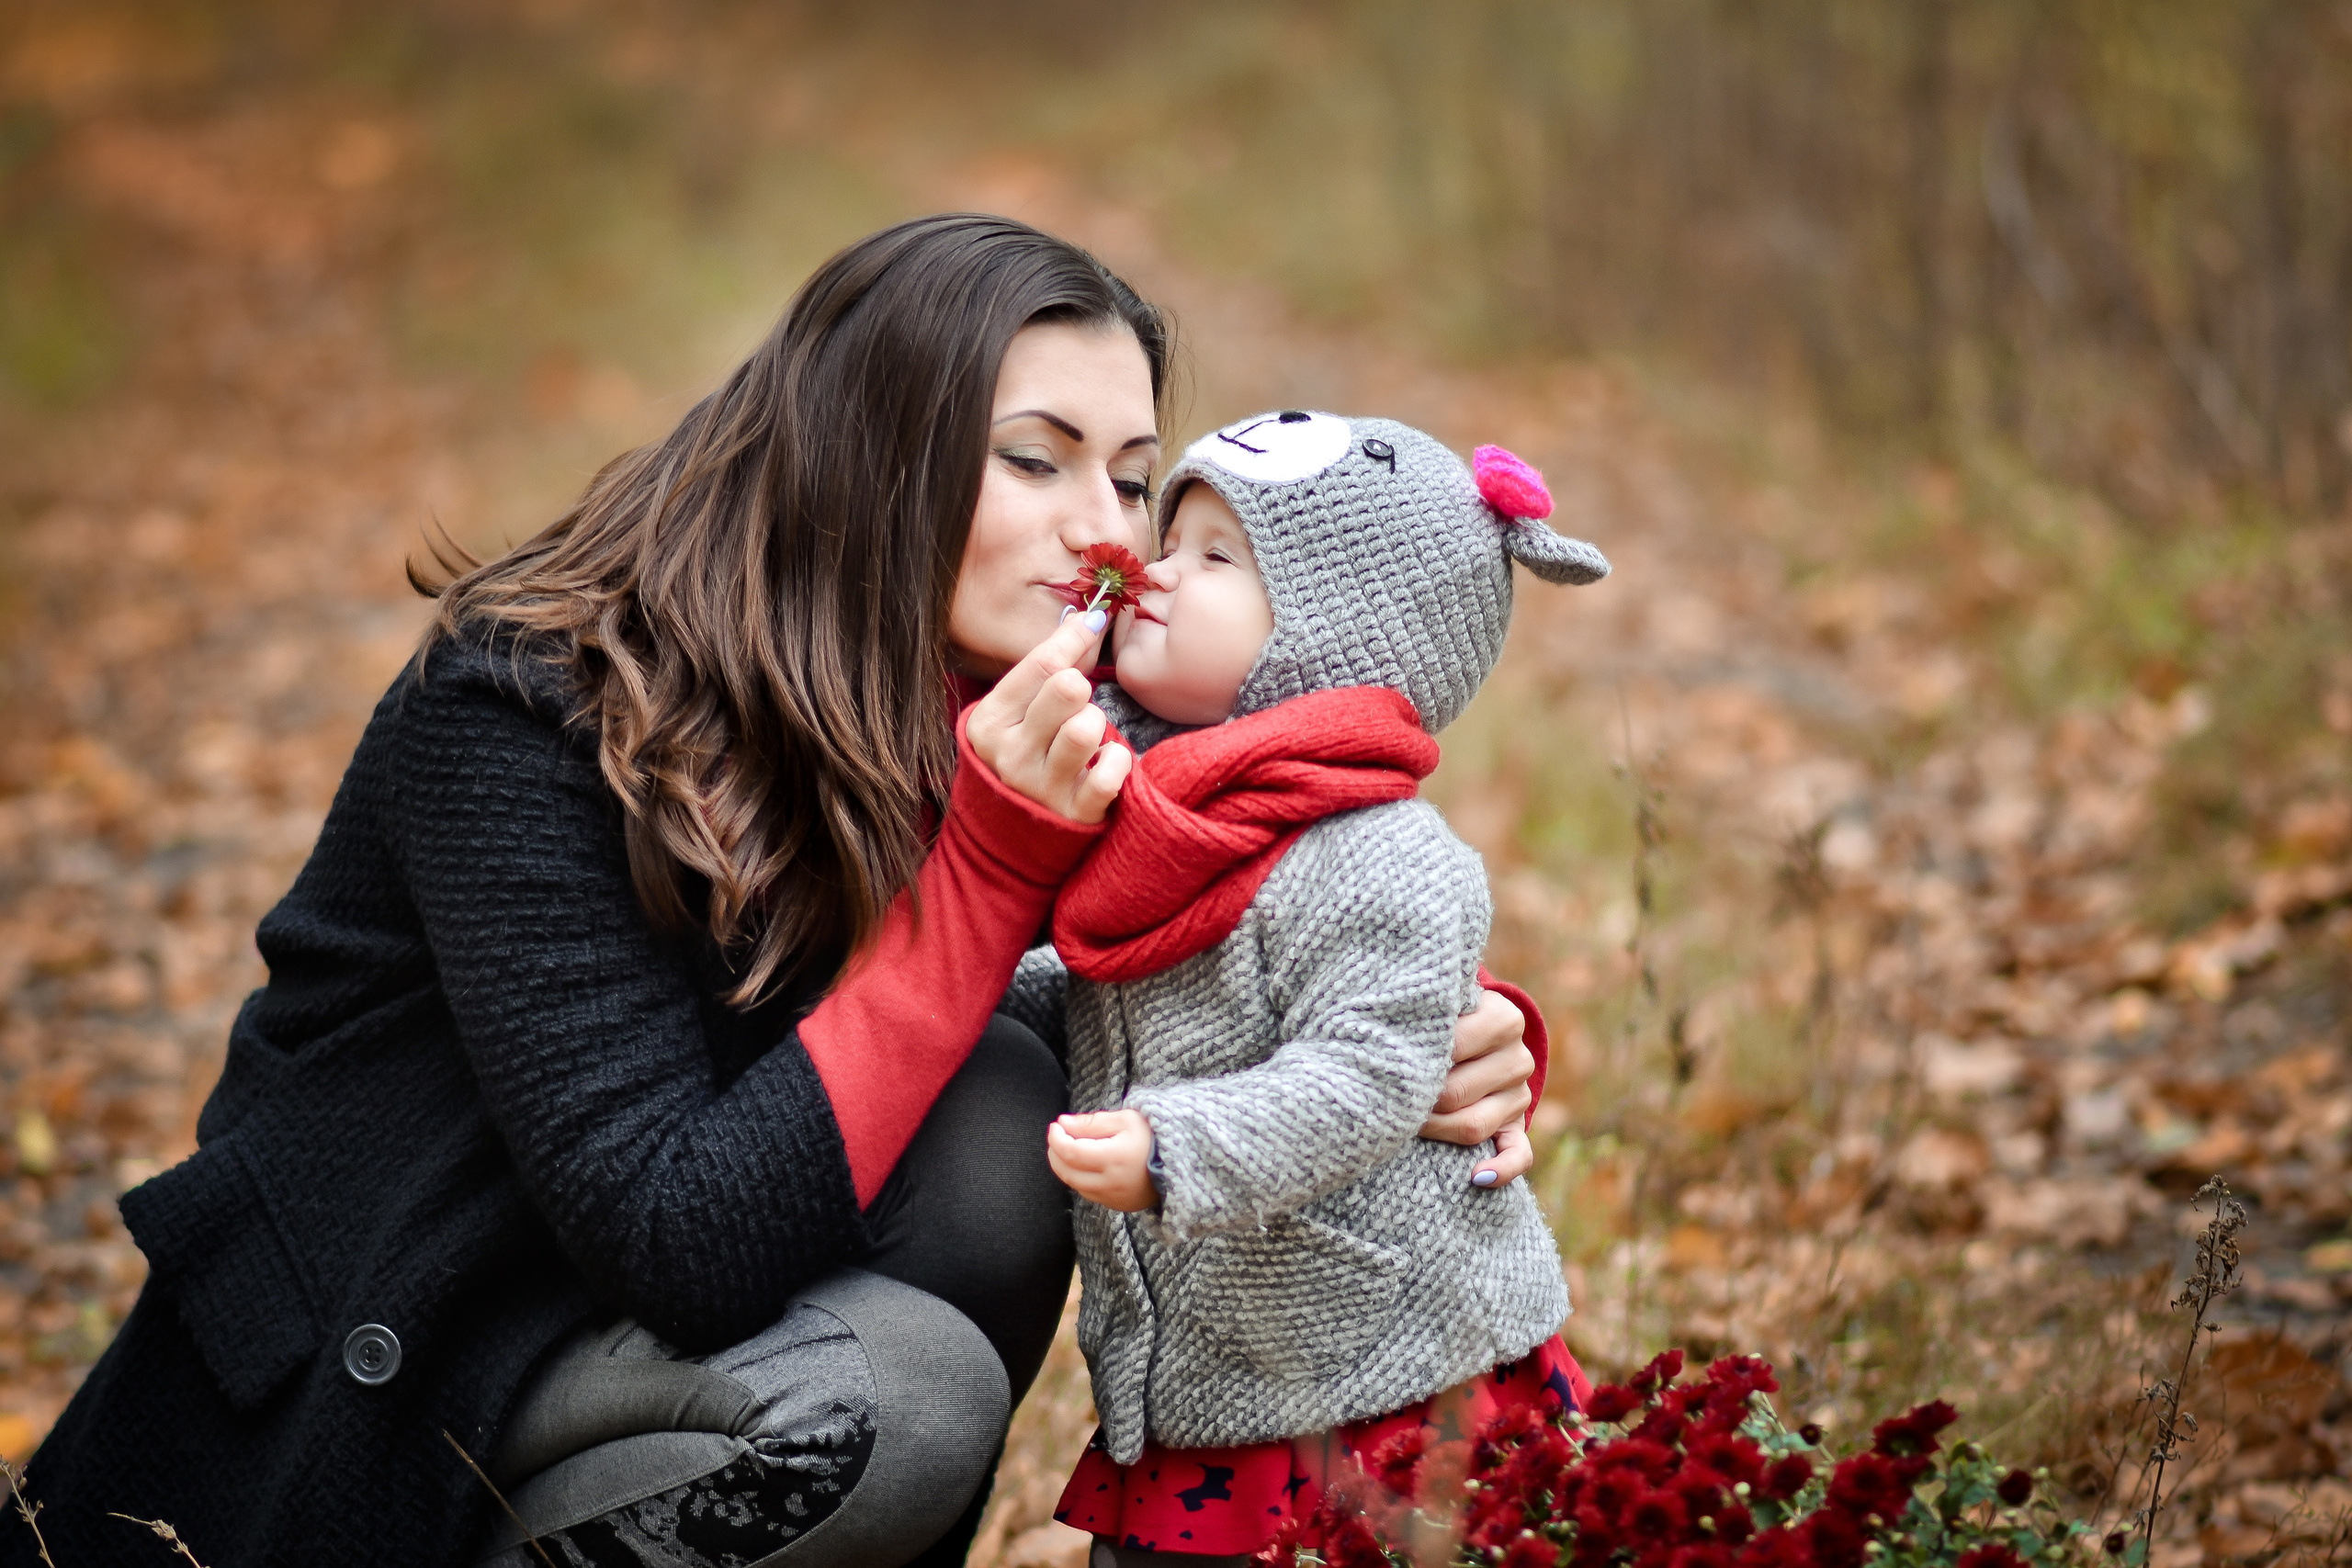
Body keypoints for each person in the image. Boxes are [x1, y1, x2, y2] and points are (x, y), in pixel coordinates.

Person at [4, 217, 1545, 1568]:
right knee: (894, 1399)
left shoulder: (983, 700)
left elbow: (1189, 949)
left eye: (1139, 478)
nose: (1109, 535)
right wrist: (992, 864)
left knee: (1005, 1114)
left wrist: (1428, 1030)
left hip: (618, 1348)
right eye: (1037, 457)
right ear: (869, 449)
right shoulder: (523, 709)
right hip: (385, 1396)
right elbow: (679, 1235)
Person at [1041, 413, 1609, 1564]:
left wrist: (1177, 1145)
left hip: (1385, 1366)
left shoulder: (1378, 853)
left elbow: (1372, 1068)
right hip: (1226, 1354)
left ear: (1335, 633)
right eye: (1176, 536)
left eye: (1217, 557)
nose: (1153, 572)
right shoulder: (1152, 797)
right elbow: (1092, 975)